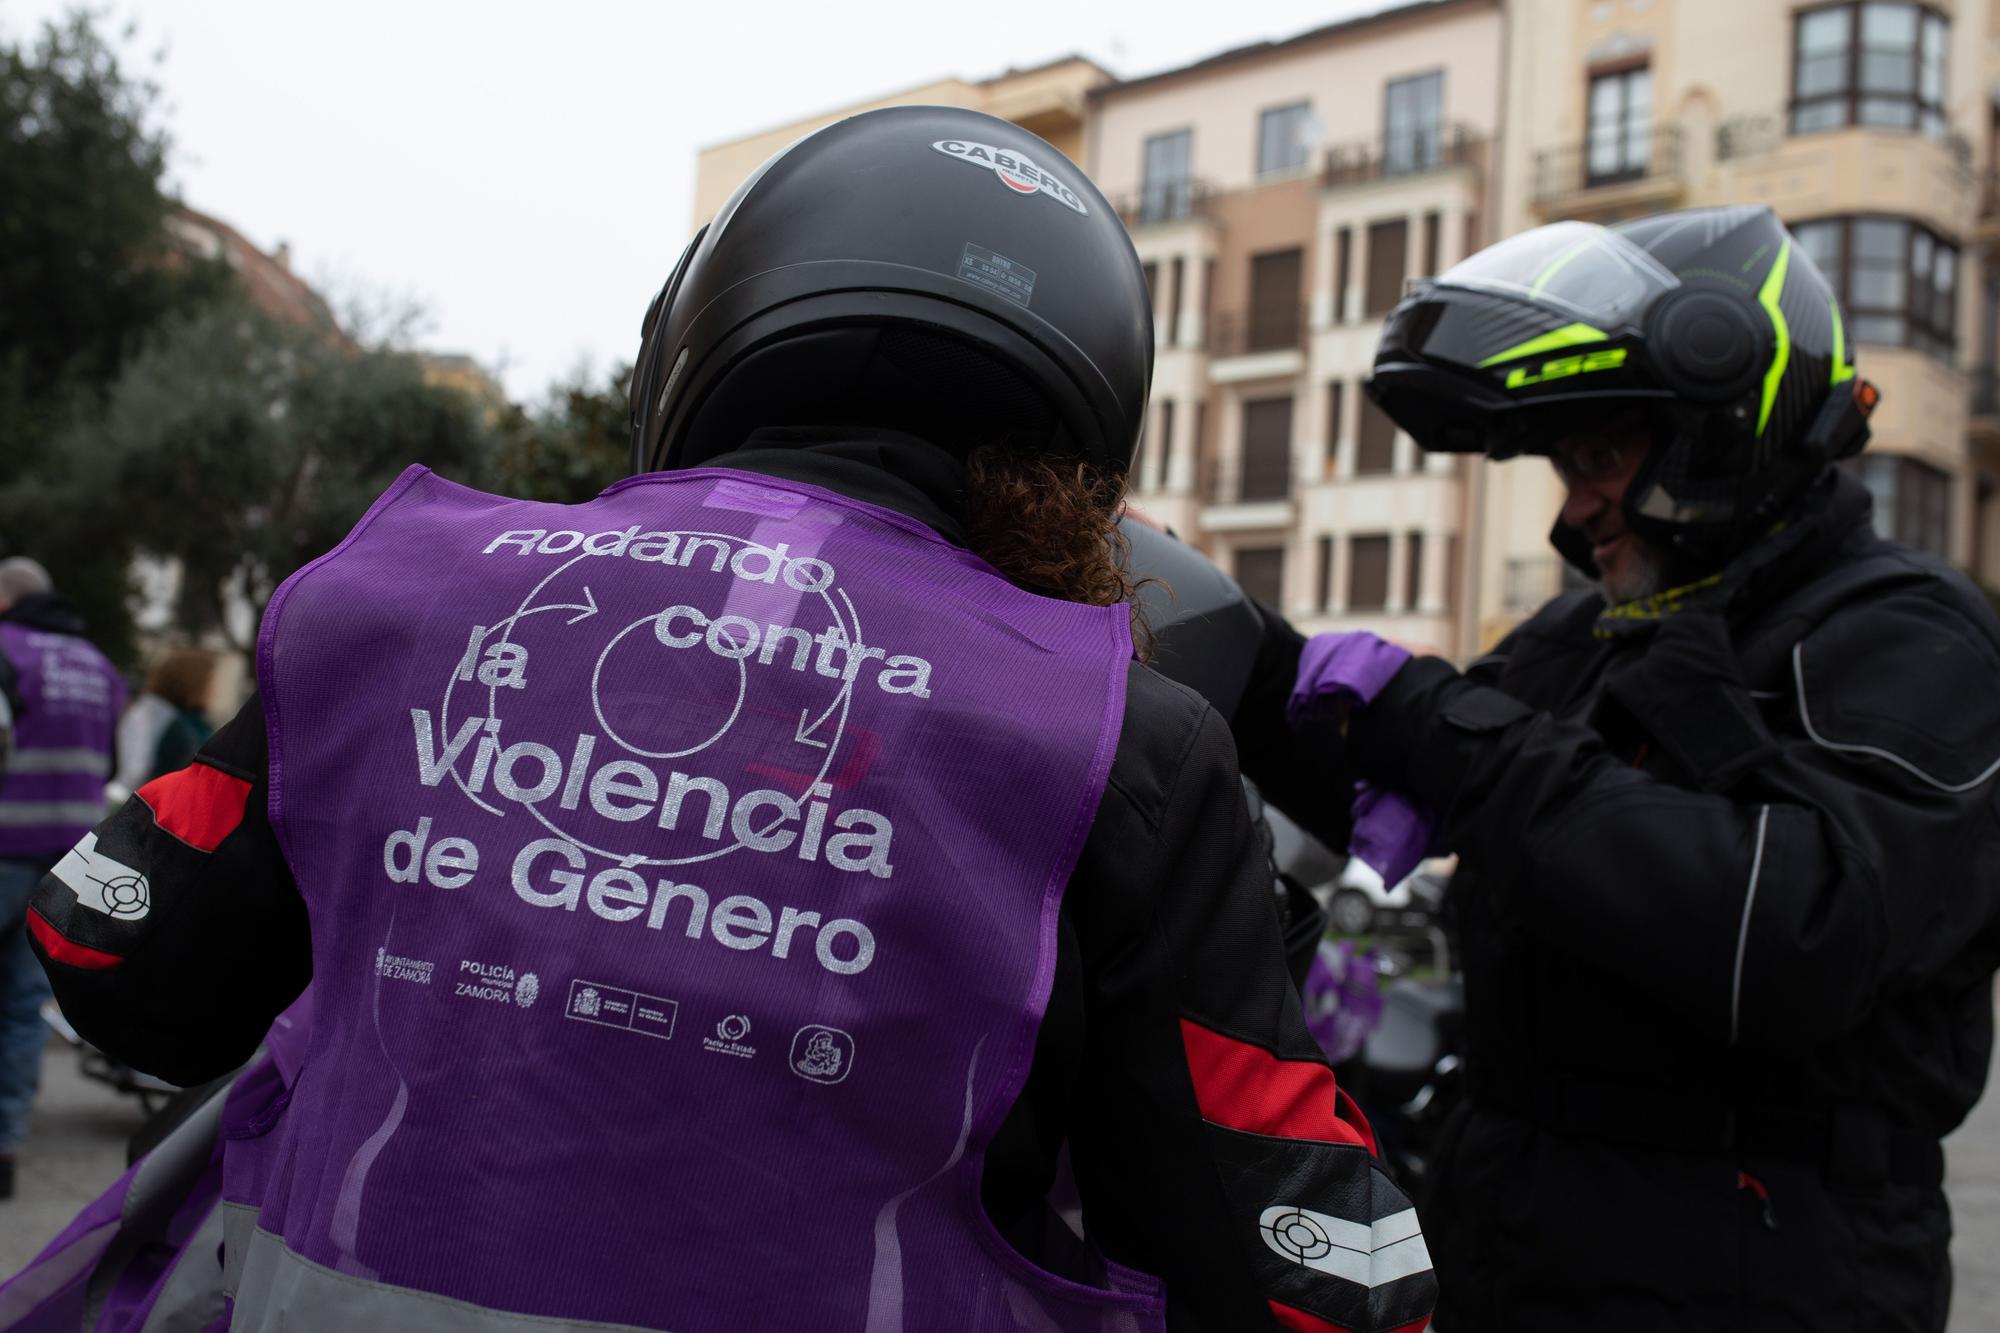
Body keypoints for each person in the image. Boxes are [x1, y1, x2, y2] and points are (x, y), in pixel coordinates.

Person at [23, 108, 1436, 1332]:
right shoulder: (1125, 735)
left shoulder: (390, 605)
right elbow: (1316, 1279)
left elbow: (111, 952)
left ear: (704, 341)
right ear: (1090, 436)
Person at [1252, 205, 2000, 1331]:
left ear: (1718, 414)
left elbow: (1797, 930)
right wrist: (1220, 653)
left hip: (1759, 1267)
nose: (1577, 503)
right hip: (1513, 1232)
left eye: (1598, 455)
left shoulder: (1903, 631)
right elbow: (1384, 778)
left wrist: (1442, 726)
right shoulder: (1602, 629)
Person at [0, 556, 124, 1201]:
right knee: (22, 1007)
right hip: (65, 860)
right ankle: (5, 1145)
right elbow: (107, 760)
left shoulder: (5, 649)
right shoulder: (98, 667)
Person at [111, 646, 217, 798]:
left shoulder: (149, 711)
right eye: (211, 683)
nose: (214, 691)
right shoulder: (181, 728)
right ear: (196, 684)